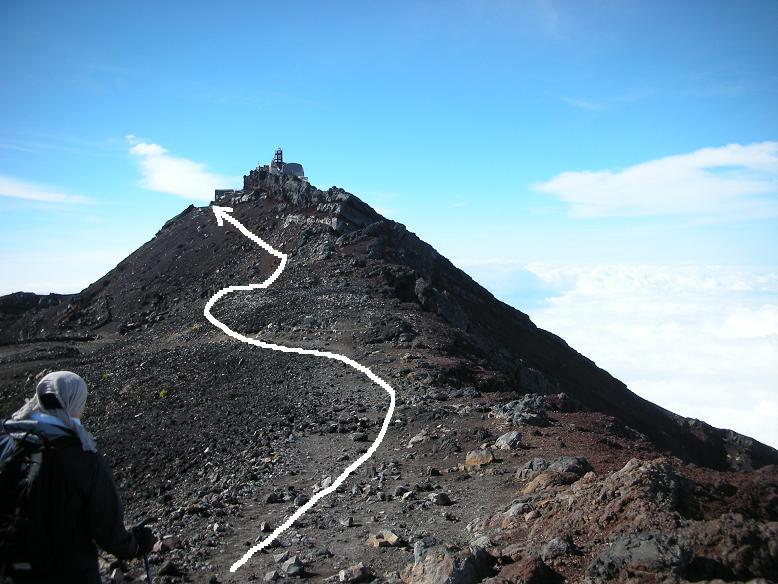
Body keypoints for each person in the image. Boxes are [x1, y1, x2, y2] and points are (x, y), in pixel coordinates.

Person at [0, 371, 155, 583]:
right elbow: (106, 526)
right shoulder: (83, 456)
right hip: (66, 570)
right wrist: (135, 544)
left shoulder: (9, 440)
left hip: (9, 567)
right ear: (74, 402)